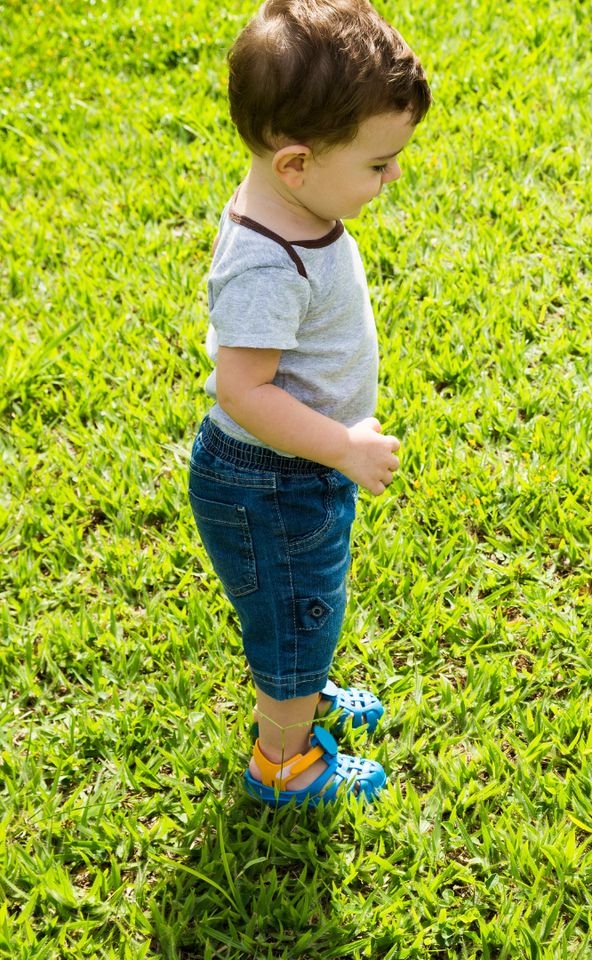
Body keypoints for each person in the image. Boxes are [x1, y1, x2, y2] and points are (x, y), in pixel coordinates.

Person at [187, 0, 431, 807]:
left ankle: (300, 692)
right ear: (294, 163)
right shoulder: (266, 262)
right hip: (272, 484)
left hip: (288, 475)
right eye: (377, 163)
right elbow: (242, 389)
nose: (393, 175)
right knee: (295, 619)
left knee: (304, 611)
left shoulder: (292, 198)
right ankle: (284, 765)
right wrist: (340, 447)